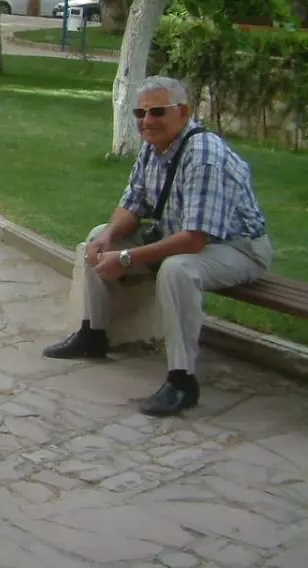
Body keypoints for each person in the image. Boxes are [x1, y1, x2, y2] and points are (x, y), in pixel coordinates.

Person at [42, 76, 272, 417]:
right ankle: (94, 335)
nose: (147, 121)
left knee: (178, 269)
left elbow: (194, 240)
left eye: (157, 112)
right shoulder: (154, 146)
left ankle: (182, 380)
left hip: (238, 248)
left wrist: (125, 256)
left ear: (183, 112)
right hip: (183, 234)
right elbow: (132, 204)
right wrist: (108, 240)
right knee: (99, 234)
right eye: (140, 112)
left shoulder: (204, 155)